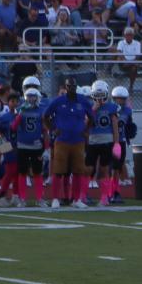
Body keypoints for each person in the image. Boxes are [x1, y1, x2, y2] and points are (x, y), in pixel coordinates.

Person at [42, 77, 93, 209]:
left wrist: (86, 130)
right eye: (70, 86)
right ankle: (55, 199)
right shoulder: (58, 101)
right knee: (58, 171)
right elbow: (45, 116)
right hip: (62, 141)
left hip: (78, 141)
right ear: (66, 87)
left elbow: (92, 117)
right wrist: (53, 129)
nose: (72, 89)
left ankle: (76, 199)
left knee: (78, 171)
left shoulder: (82, 100)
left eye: (74, 86)